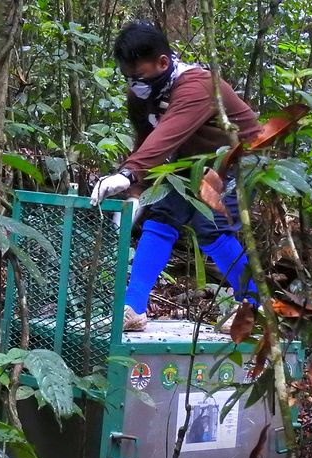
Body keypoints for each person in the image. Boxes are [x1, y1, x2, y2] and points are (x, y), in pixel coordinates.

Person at [90, 21, 262, 332]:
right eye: (128, 78)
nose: (134, 84)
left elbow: (168, 134)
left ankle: (254, 306)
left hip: (238, 159)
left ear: (163, 63)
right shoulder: (140, 95)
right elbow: (145, 140)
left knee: (212, 229)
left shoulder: (197, 86)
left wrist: (128, 174)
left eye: (139, 77)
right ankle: (133, 307)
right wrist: (135, 193)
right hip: (190, 163)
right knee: (161, 218)